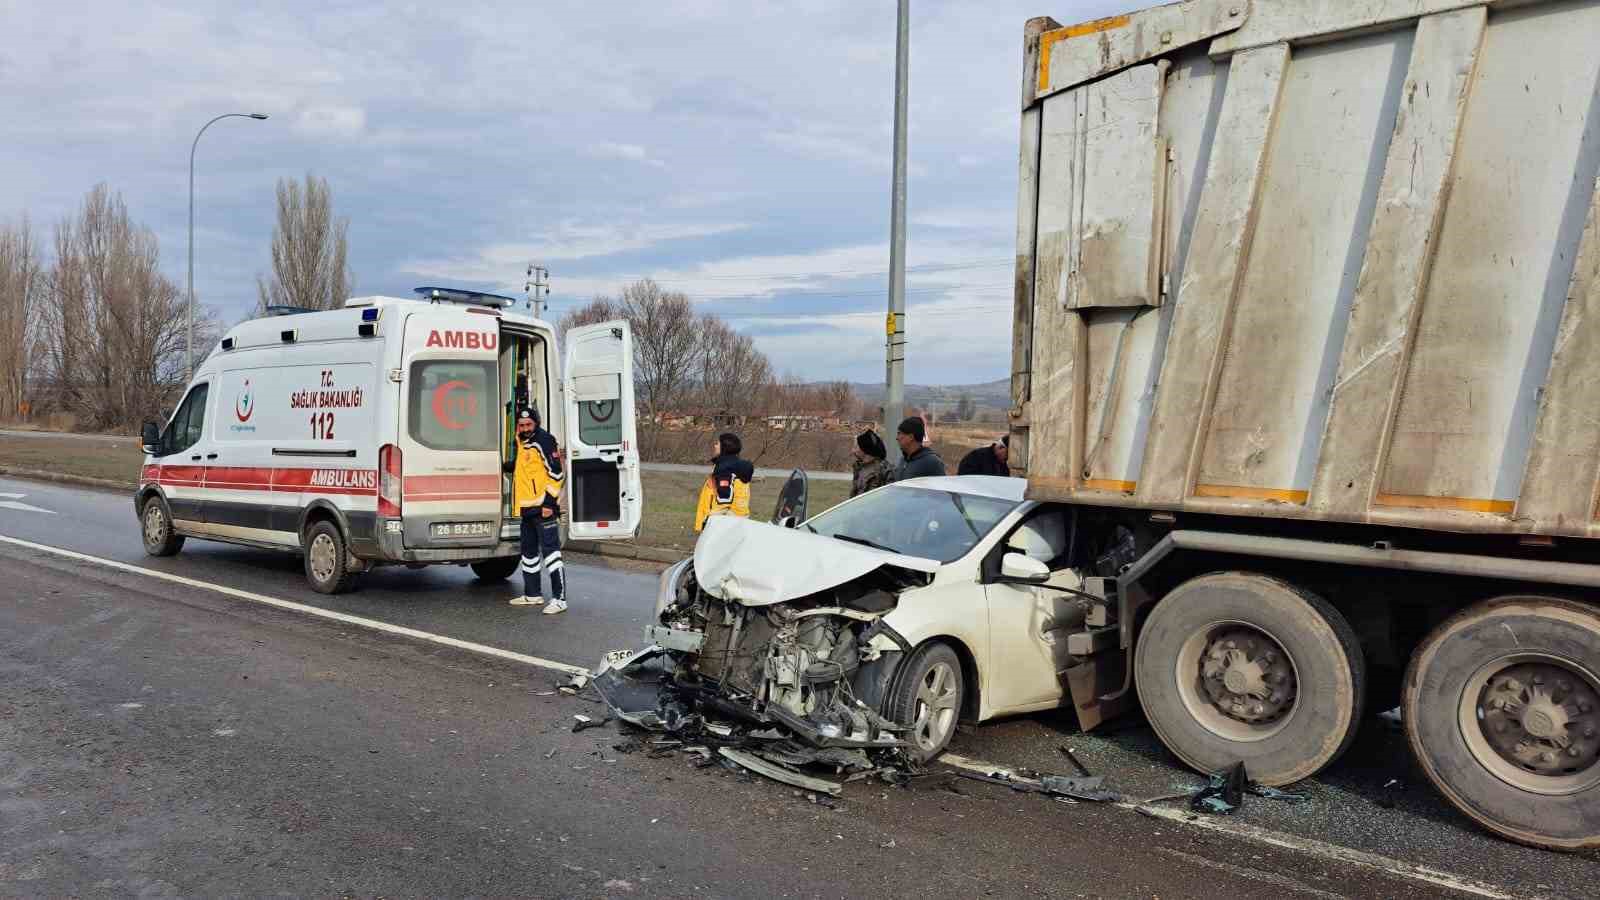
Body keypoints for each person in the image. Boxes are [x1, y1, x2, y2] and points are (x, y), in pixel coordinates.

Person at [505, 408, 567, 614]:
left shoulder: (545, 440)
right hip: (527, 509)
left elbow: (557, 473)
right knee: (529, 554)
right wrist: (509, 466)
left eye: (528, 425)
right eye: (521, 426)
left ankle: (560, 599)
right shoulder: (522, 442)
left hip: (543, 508)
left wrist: (549, 504)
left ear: (536, 424)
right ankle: (533, 594)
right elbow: (528, 469)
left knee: (551, 554)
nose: (524, 429)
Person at [694, 432, 755, 532]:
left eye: (717, 444)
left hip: (724, 523)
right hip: (736, 519)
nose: (715, 446)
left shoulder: (725, 469)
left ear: (724, 447)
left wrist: (710, 521)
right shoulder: (734, 467)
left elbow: (724, 499)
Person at [891, 416, 945, 482]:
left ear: (911, 437)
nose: (897, 438)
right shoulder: (903, 460)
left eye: (899, 433)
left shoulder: (932, 462)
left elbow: (941, 489)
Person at [850, 428, 892, 498]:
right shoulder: (858, 467)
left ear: (865, 449)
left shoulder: (884, 469)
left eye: (856, 447)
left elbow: (889, 496)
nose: (852, 450)